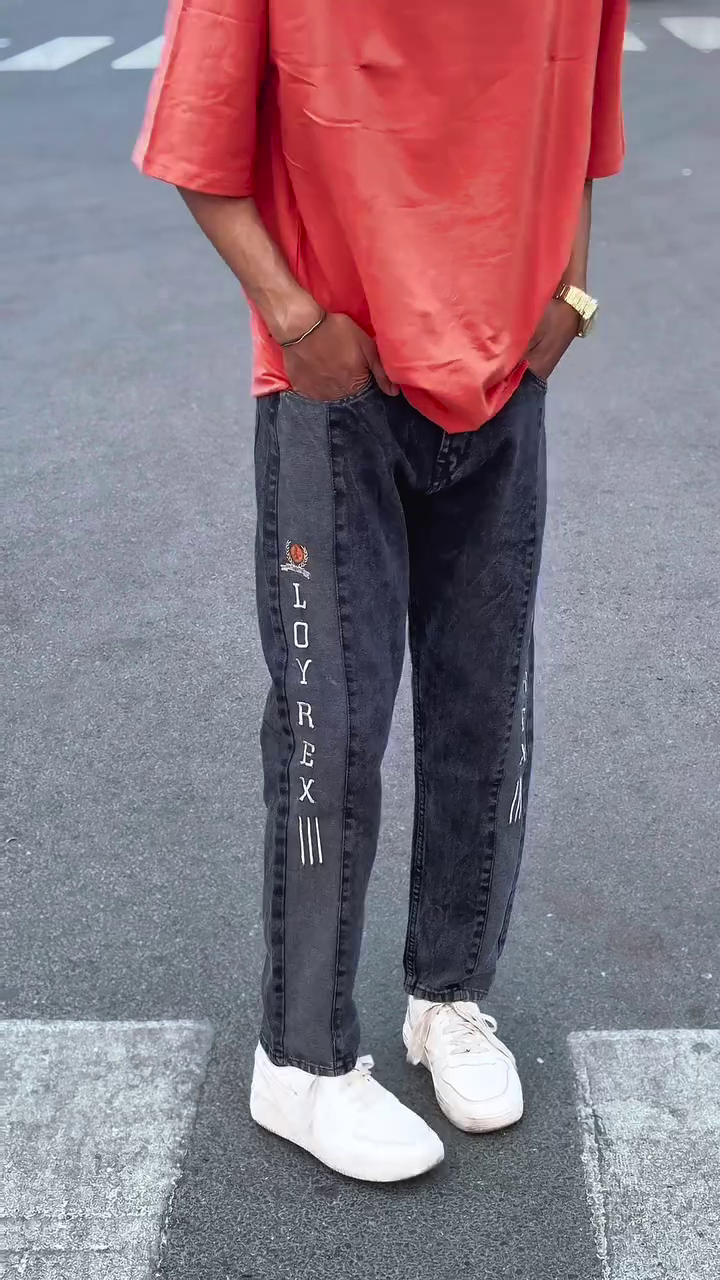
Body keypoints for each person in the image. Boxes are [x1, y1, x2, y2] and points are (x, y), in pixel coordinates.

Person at [134, 0, 627, 1182]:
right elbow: (196, 145)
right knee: (333, 730)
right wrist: (297, 321)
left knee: (482, 707)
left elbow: (580, 130)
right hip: (335, 385)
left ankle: (448, 995)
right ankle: (299, 1060)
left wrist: (572, 294)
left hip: (506, 377)